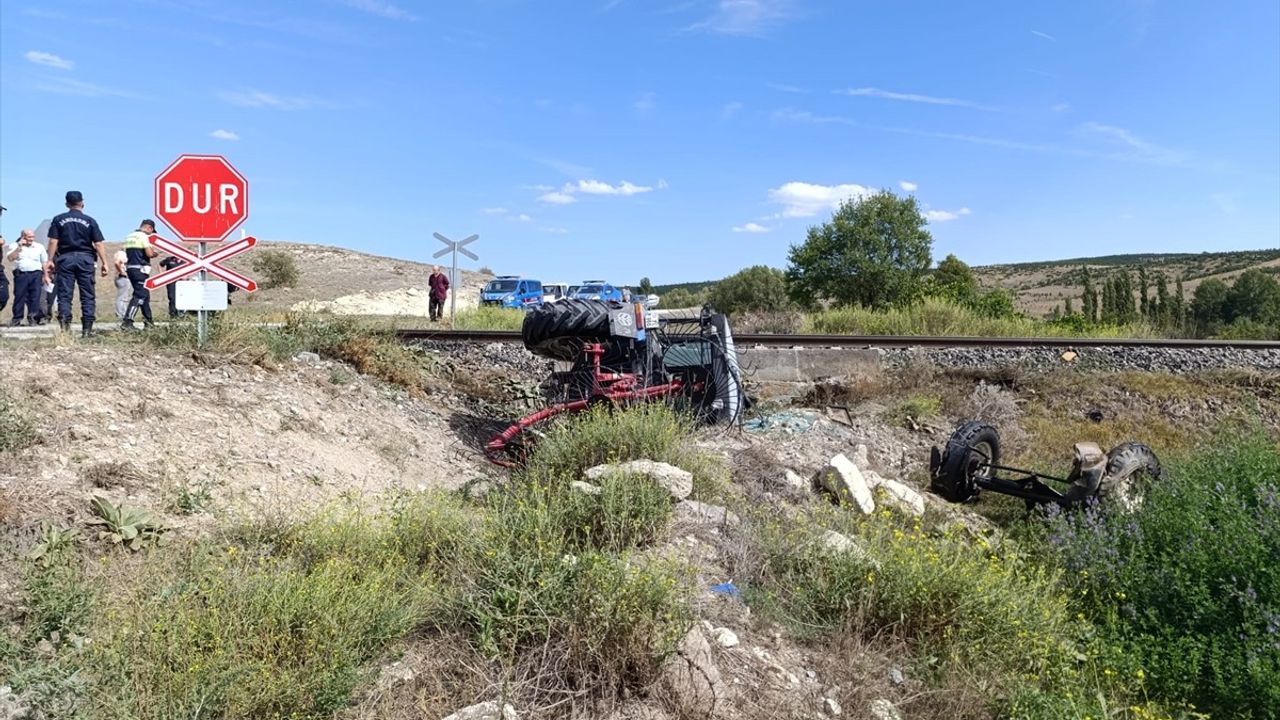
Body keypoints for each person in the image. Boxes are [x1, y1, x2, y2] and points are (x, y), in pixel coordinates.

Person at [45, 190, 108, 337]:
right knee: (87, 294)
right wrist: (105, 262)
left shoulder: (58, 219)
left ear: (67, 203)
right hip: (85, 259)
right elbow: (98, 243)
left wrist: (49, 260)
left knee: (65, 295)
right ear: (82, 203)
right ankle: (87, 331)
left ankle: (65, 330)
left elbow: (53, 241)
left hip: (65, 259)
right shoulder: (90, 221)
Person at [6, 229, 50, 326]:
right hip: (21, 274)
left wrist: (46, 275)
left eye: (33, 237)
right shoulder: (15, 245)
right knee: (19, 296)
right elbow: (10, 258)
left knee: (35, 297)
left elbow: (44, 262)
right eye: (29, 237)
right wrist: (19, 247)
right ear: (23, 237)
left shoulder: (39, 247)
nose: (31, 239)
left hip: (36, 274)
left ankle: (33, 318)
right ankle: (17, 318)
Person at [120, 219, 158, 329]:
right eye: (152, 231)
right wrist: (155, 254)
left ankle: (149, 322)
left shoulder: (129, 236)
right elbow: (149, 253)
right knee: (139, 295)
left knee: (145, 296)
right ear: (149, 228)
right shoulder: (143, 237)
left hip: (131, 268)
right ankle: (127, 322)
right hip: (140, 269)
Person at [112, 247, 130, 319]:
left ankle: (123, 314)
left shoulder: (118, 254)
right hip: (122, 277)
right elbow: (117, 263)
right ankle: (121, 315)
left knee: (124, 297)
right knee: (122, 297)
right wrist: (122, 272)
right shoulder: (122, 254)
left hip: (120, 277)